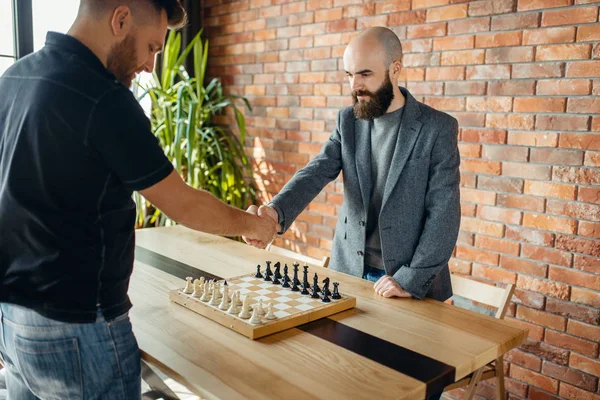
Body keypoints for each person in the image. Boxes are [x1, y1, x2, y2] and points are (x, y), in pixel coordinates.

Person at [0, 1, 277, 399]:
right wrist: (256, 225)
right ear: (121, 18)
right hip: (78, 328)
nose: (150, 66)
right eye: (151, 47)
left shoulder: (15, 76)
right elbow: (183, 204)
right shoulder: (103, 98)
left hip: (12, 322)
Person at [246, 26, 460, 400]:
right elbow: (315, 171)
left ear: (395, 69)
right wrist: (275, 215)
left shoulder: (437, 128)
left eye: (364, 74)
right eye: (349, 75)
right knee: (347, 383)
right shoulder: (348, 121)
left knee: (412, 389)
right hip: (350, 275)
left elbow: (444, 212)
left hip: (412, 283)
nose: (355, 86)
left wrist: (409, 280)